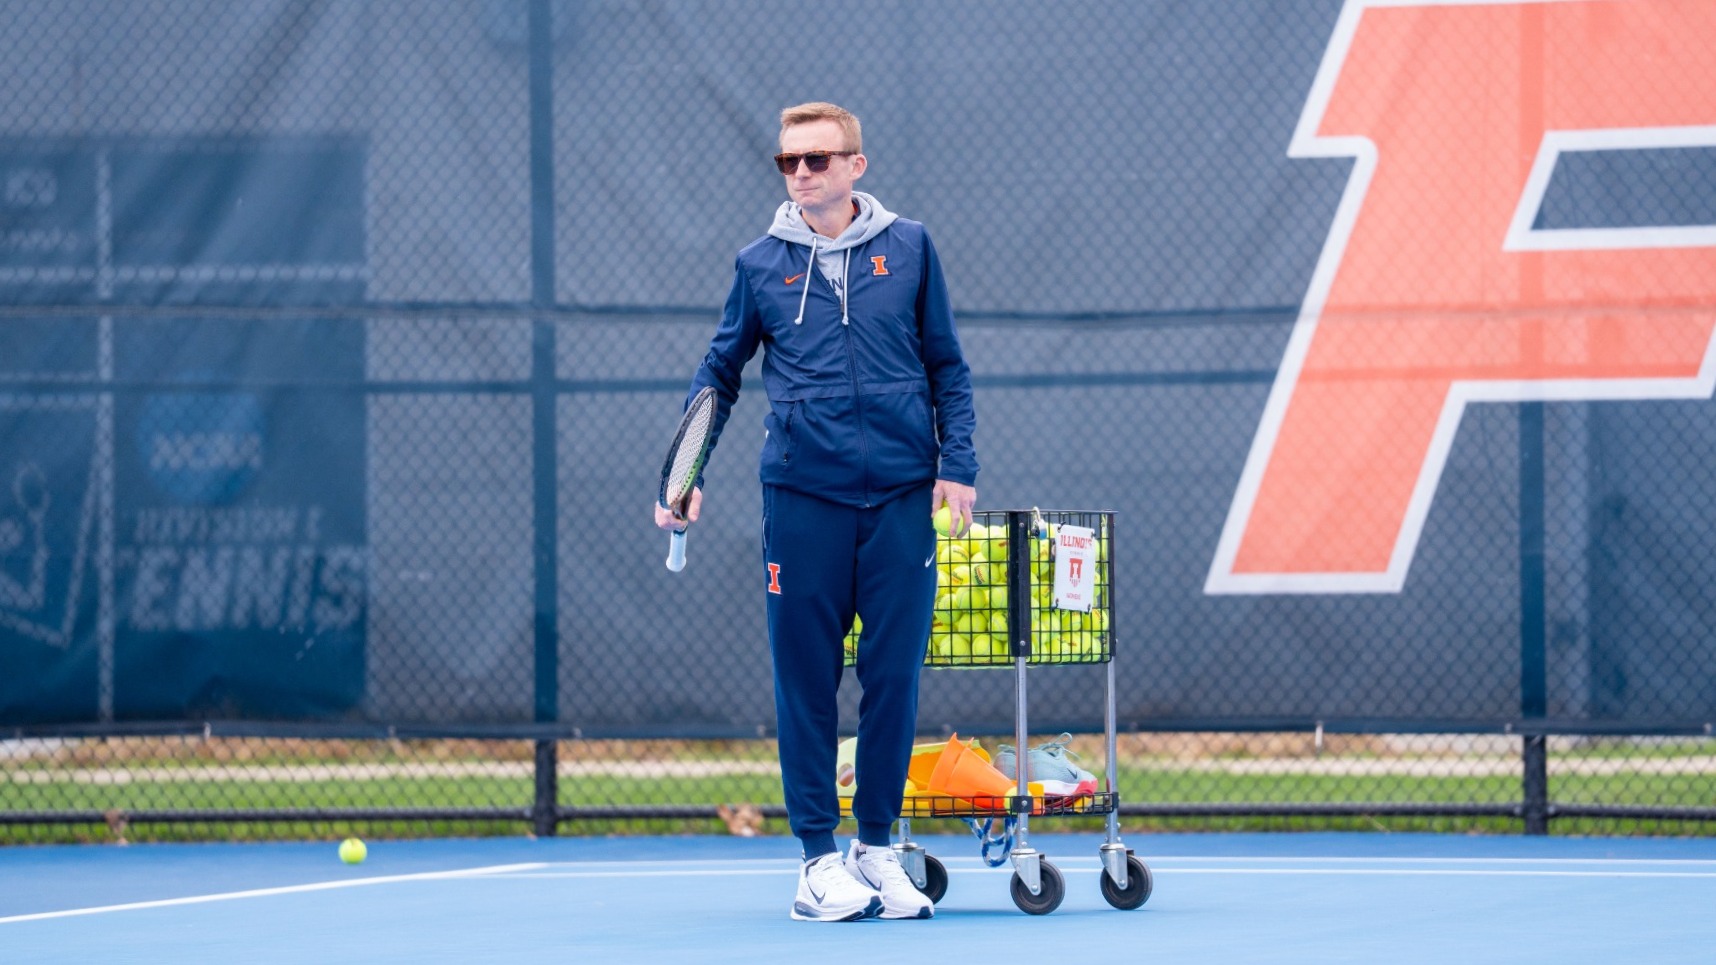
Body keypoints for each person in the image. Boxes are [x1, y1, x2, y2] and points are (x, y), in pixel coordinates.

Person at [655, 101, 977, 921]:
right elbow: (718, 373)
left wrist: (957, 469)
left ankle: (875, 849)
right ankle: (814, 862)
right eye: (790, 162)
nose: (803, 174)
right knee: (805, 683)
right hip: (802, 503)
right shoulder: (759, 263)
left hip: (902, 500)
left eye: (820, 159)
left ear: (856, 167)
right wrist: (682, 477)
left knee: (893, 679)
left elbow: (948, 366)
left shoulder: (911, 249)